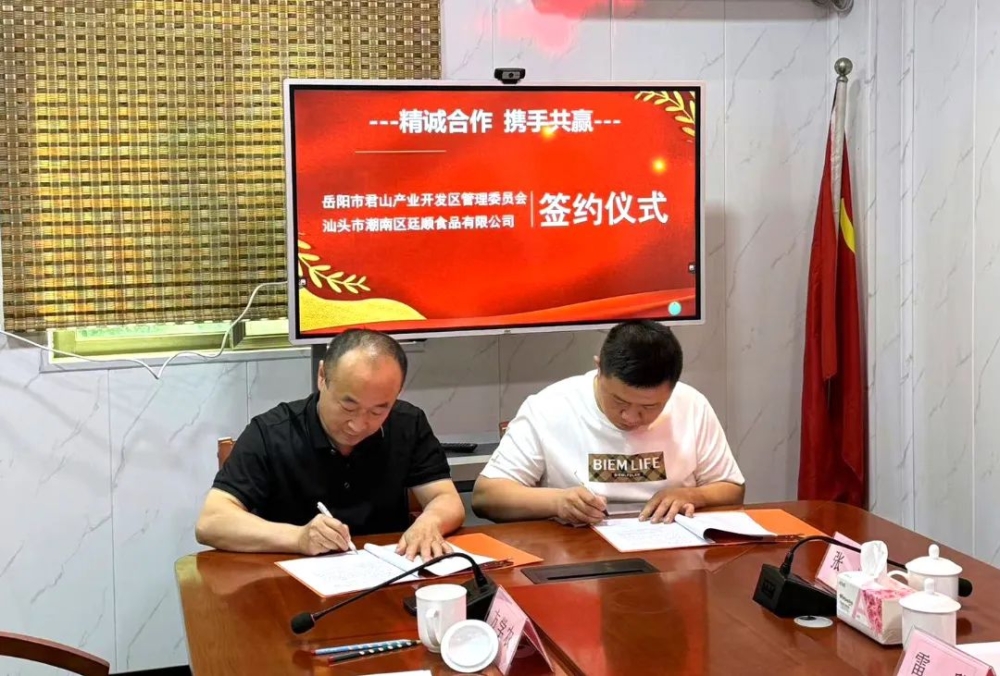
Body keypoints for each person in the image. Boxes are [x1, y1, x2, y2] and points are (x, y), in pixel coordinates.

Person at [195, 329, 466, 561]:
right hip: (289, 586)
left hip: (387, 577)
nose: (358, 425)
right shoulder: (271, 433)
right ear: (322, 376)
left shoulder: (408, 423)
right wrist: (298, 538)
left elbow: (446, 499)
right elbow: (212, 521)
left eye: (378, 411)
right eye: (348, 406)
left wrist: (429, 522)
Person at [472, 320, 745, 526]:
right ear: (599, 368)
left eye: (649, 407)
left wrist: (693, 496)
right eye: (619, 401)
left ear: (672, 388)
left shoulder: (691, 404)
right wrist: (557, 502)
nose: (631, 417)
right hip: (576, 551)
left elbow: (732, 488)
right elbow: (486, 497)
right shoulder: (550, 406)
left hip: (670, 548)